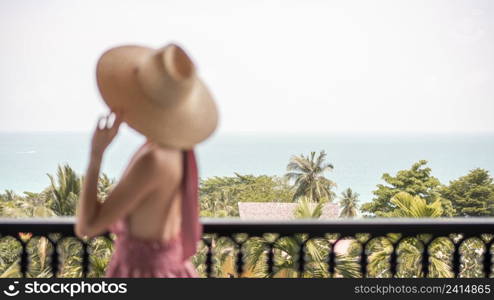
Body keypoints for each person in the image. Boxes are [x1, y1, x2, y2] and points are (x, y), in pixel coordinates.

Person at [74, 43, 218, 277]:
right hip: (174, 269)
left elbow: (87, 226)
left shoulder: (152, 159)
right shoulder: (180, 150)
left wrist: (96, 155)